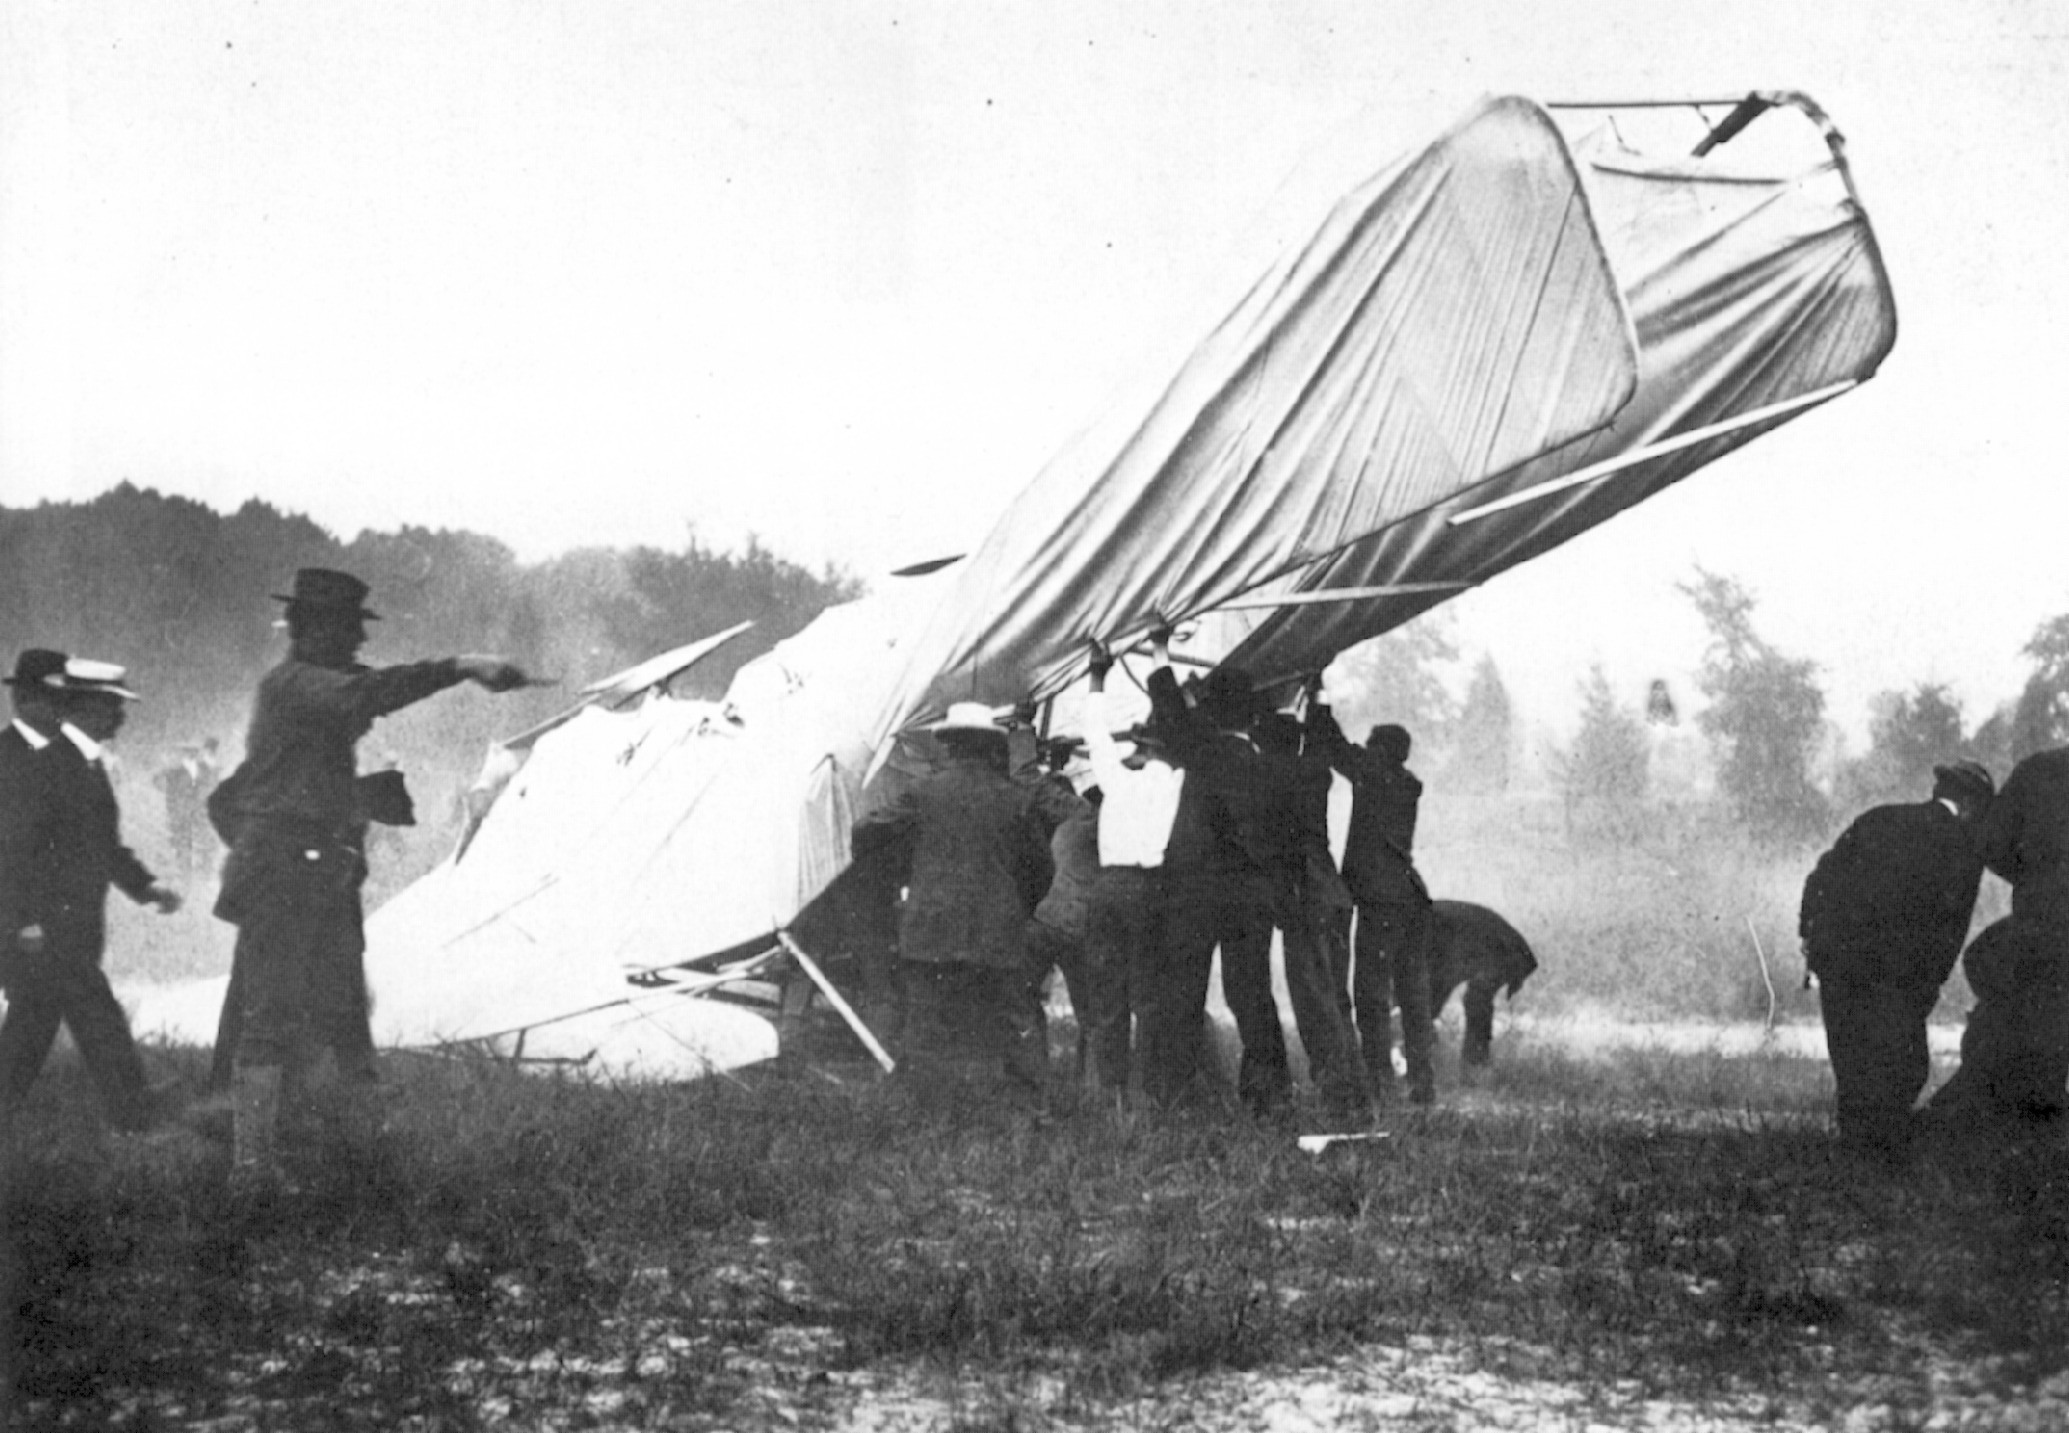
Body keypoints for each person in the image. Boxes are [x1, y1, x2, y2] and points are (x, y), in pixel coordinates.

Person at [209, 568, 533, 1181]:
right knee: (273, 1016)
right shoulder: (296, 686)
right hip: (285, 875)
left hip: (314, 872)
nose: (358, 641)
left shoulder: (306, 683)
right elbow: (368, 692)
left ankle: (352, 1147)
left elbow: (367, 686)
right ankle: (251, 1166)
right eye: (348, 629)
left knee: (343, 1012)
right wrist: (465, 665)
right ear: (315, 629)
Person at [0, 651, 182, 1130]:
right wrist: (23, 921)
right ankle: (134, 1112)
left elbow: (103, 846)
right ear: (85, 705)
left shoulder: (86, 764)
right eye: (112, 705)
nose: (121, 716)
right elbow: (15, 852)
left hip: (71, 923)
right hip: (47, 927)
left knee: (32, 1025)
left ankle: (125, 1109)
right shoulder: (47, 766)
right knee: (94, 1010)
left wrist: (146, 886)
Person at [850, 702, 1057, 1101]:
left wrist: (904, 874)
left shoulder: (924, 793)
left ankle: (926, 1110)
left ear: (949, 744)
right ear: (989, 746)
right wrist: (1015, 906)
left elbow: (866, 832)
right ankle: (1032, 1112)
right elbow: (1041, 869)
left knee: (926, 1026)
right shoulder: (1014, 798)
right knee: (1016, 1023)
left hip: (931, 929)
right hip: (998, 932)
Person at [1799, 760, 1994, 1162]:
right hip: (1896, 976)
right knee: (1903, 1070)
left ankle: (1855, 1160)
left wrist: (1813, 944)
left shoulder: (1879, 819)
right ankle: (1883, 1166)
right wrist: (1927, 986)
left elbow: (1819, 881)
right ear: (1973, 805)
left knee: (1851, 1064)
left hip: (1838, 963)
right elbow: (1949, 928)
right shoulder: (1964, 847)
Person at [1927, 745, 2069, 1134]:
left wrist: (2037, 879)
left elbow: (1994, 845)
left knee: (1999, 982)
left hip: (2042, 925)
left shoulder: (2039, 769)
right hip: (2047, 932)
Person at [1077, 641, 1187, 1098]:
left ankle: (1111, 1093)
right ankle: (1148, 1092)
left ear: (1140, 746)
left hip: (1108, 887)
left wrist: (1098, 676)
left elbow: (1095, 732)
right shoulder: (1174, 781)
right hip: (1147, 887)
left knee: (1108, 995)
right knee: (1149, 995)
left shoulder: (1115, 777)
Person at [1324, 721, 1438, 1105]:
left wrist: (1318, 701)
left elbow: (1337, 748)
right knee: (1412, 994)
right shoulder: (1406, 784)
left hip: (1382, 900)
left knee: (1371, 995)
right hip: (1409, 897)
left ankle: (1380, 1085)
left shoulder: (1376, 777)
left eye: (1372, 745)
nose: (1366, 749)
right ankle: (1422, 1083)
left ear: (1383, 752)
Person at [154, 739, 219, 881]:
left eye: (193, 755)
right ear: (183, 757)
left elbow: (210, 786)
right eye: (187, 755)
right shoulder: (174, 773)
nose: (190, 758)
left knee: (208, 844)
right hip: (180, 816)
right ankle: (185, 876)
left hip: (199, 815)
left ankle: (203, 874)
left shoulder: (203, 770)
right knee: (183, 847)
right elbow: (158, 782)